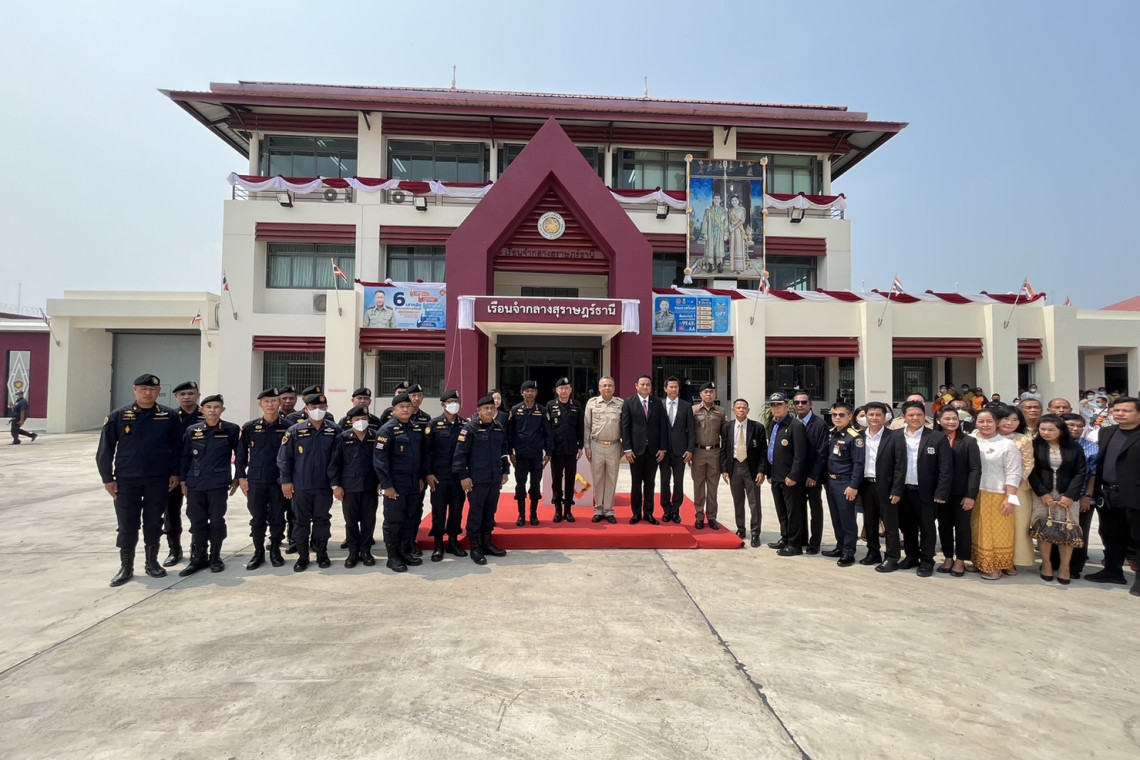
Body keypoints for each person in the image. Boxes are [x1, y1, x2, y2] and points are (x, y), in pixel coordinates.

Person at [95, 374, 182, 587]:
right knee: (127, 524)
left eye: (152, 389)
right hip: (126, 480)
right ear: (134, 390)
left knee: (153, 522)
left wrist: (175, 473)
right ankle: (126, 567)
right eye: (143, 389)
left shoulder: (169, 415)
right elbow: (105, 450)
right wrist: (107, 478)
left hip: (158, 479)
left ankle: (152, 563)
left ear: (159, 391)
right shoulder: (118, 416)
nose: (148, 393)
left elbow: (178, 448)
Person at [177, 394, 240, 576]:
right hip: (195, 483)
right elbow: (185, 457)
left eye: (216, 407)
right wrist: (183, 480)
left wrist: (238, 477)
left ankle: (215, 556)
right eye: (209, 407)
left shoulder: (231, 429)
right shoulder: (192, 430)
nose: (212, 410)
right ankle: (199, 557)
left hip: (218, 483)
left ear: (222, 410)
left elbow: (240, 455)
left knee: (217, 520)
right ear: (202, 410)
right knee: (197, 520)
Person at [277, 392, 340, 572]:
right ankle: (303, 556)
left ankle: (322, 553)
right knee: (300, 521)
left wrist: (336, 484)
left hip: (324, 485)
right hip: (301, 485)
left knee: (322, 520)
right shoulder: (295, 430)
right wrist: (286, 481)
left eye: (322, 407)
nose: (317, 410)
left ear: (326, 409)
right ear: (306, 409)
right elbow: (284, 458)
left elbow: (339, 460)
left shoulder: (335, 430)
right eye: (313, 407)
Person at [889, 401, 952, 577]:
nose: (915, 418)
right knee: (907, 527)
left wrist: (941, 492)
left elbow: (945, 468)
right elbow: (890, 464)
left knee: (927, 528)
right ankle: (911, 556)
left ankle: (926, 560)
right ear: (904, 417)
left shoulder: (937, 437)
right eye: (911, 415)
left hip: (927, 492)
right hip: (903, 491)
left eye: (919, 415)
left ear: (925, 416)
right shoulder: (895, 436)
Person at [1085, 396, 1140, 594]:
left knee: (1137, 537)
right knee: (1110, 533)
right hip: (1107, 492)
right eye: (1116, 410)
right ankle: (1113, 571)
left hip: (1135, 494)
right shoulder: (1107, 432)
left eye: (1126, 410)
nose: (1120, 414)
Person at [235, 388, 290, 570]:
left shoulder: (288, 427)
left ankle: (275, 549)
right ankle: (258, 551)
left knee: (277, 517)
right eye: (266, 401)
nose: (270, 405)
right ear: (260, 405)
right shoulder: (250, 427)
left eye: (274, 401)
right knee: (257, 518)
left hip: (278, 480)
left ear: (279, 403)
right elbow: (241, 455)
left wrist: (289, 480)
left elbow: (293, 456)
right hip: (256, 480)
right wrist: (241, 476)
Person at [1028, 414, 1087, 584]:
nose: (1046, 432)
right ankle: (1046, 563)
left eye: (1051, 430)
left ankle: (1065, 566)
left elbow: (1080, 472)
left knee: (1067, 530)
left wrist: (1070, 495)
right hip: (1043, 494)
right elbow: (1032, 471)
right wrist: (1042, 493)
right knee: (1044, 528)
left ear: (1060, 430)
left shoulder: (1074, 447)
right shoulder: (1035, 445)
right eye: (1043, 429)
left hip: (1067, 495)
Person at [453, 394, 511, 565]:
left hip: (494, 478)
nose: (489, 411)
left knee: (490, 511)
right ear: (478, 411)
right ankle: (475, 547)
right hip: (477, 479)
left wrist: (505, 471)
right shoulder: (469, 429)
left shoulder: (498, 427)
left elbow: (503, 451)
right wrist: (463, 476)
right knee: (476, 512)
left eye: (492, 408)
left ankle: (487, 543)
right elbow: (460, 454)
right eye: (486, 408)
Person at [373, 392, 428, 572]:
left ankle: (404, 552)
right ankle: (393, 557)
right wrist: (387, 485)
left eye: (408, 407)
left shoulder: (415, 428)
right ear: (394, 409)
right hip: (395, 484)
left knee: (409, 519)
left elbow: (419, 456)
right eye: (401, 407)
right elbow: (380, 461)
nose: (405, 409)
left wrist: (420, 477)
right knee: (393, 521)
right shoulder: (386, 431)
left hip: (413, 482)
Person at [970, 407, 1025, 580]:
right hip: (975, 493)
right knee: (978, 529)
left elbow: (1014, 472)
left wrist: (1010, 498)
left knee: (998, 532)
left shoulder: (1007, 444)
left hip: (999, 493)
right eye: (981, 421)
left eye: (989, 421)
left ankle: (996, 566)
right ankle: (980, 562)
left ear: (996, 423)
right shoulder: (971, 440)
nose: (985, 425)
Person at [328, 405, 381, 569]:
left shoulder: (376, 437)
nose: (361, 421)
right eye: (357, 419)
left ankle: (366, 551)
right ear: (351, 421)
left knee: (368, 521)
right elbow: (334, 464)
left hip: (370, 487)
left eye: (364, 419)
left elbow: (382, 462)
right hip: (349, 488)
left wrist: (382, 481)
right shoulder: (342, 438)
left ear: (369, 420)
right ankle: (353, 552)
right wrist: (336, 486)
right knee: (350, 522)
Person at [934, 407, 981, 577]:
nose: (951, 422)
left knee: (962, 528)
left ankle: (960, 560)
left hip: (962, 493)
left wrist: (970, 495)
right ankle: (948, 557)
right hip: (940, 494)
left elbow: (975, 470)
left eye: (954, 418)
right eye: (947, 419)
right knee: (944, 526)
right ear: (938, 420)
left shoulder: (968, 441)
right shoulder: (933, 439)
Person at [163, 380, 204, 567]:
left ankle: (197, 548)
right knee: (171, 511)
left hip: (198, 473)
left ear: (198, 395)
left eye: (191, 393)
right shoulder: (168, 417)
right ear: (176, 397)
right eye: (182, 394)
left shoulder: (206, 415)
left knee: (197, 512)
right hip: (173, 472)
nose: (187, 397)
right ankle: (174, 549)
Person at [423, 390, 468, 560]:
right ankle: (438, 545)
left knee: (456, 510)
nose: (454, 404)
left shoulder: (465, 425)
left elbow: (468, 452)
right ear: (443, 405)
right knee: (439, 511)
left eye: (456, 401)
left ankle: (453, 542)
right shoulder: (434, 424)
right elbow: (427, 451)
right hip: (439, 476)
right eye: (450, 401)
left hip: (458, 476)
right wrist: (428, 473)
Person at [621, 374, 668, 525]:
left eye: (648, 384)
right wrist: (627, 449)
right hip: (635, 451)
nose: (645, 387)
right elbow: (625, 427)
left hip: (653, 451)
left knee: (650, 483)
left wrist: (662, 448)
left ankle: (649, 513)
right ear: (636, 386)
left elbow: (662, 426)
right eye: (642, 384)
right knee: (636, 483)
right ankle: (636, 513)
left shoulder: (657, 403)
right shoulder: (629, 403)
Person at [1055, 413, 1098, 578]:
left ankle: (1074, 567)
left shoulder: (1092, 448)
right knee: (1056, 529)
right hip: (1055, 497)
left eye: (1080, 426)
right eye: (1071, 425)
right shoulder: (1053, 445)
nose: (1076, 429)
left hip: (1081, 497)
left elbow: (1093, 474)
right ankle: (1055, 563)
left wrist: (1088, 495)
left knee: (1079, 532)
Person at [821, 402, 864, 566]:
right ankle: (840, 546)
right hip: (831, 482)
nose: (837, 417)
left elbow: (858, 464)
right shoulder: (832, 433)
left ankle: (849, 552)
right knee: (836, 518)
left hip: (845, 483)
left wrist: (853, 486)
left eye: (841, 415)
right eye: (834, 415)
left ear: (850, 416)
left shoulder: (854, 437)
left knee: (847, 519)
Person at [720, 398, 768, 544]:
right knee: (738, 501)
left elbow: (763, 452)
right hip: (734, 467)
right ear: (733, 410)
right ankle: (740, 528)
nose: (741, 410)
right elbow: (724, 450)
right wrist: (724, 470)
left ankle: (755, 533)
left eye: (744, 408)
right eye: (738, 407)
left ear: (748, 410)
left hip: (751, 468)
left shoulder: (757, 427)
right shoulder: (727, 427)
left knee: (754, 502)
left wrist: (761, 471)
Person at [766, 393, 808, 556]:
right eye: (773, 405)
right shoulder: (773, 424)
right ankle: (785, 537)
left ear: (788, 406)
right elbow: (772, 449)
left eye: (779, 404)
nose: (776, 408)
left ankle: (795, 544)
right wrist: (770, 473)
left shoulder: (796, 426)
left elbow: (800, 455)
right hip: (776, 475)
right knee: (781, 511)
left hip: (790, 478)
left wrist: (793, 475)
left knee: (793, 512)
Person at [507, 380, 553, 526]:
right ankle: (521, 515)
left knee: (535, 485)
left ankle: (534, 514)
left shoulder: (542, 411)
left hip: (536, 455)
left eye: (532, 391)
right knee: (520, 485)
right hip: (520, 455)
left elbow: (548, 433)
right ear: (522, 393)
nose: (530, 393)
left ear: (536, 393)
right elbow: (510, 434)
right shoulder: (515, 410)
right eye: (527, 391)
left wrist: (549, 452)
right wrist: (510, 452)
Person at [996, 405, 1036, 569]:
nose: (1009, 423)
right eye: (1005, 418)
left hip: (1018, 489)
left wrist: (1012, 486)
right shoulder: (985, 436)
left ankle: (1013, 560)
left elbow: (1028, 465)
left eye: (1014, 420)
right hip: (990, 487)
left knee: (1018, 525)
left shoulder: (1023, 440)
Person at [859, 403, 898, 570]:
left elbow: (900, 465)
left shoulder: (894, 437)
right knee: (870, 521)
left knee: (890, 524)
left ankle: (892, 557)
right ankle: (873, 552)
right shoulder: (860, 437)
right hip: (866, 485)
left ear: (885, 417)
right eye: (871, 415)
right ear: (866, 416)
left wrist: (896, 489)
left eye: (878, 415)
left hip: (886, 486)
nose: (874, 418)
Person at [792, 392, 829, 554]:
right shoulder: (793, 423)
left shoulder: (819, 424)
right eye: (797, 402)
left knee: (815, 510)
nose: (800, 405)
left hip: (813, 476)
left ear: (810, 404)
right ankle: (802, 539)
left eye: (804, 402)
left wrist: (814, 475)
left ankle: (815, 543)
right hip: (796, 476)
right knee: (798, 509)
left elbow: (822, 453)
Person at [584, 377, 623, 523]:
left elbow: (624, 426)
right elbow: (587, 426)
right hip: (597, 445)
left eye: (610, 385)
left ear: (614, 388)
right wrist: (587, 446)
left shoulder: (620, 404)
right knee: (598, 478)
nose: (607, 388)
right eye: (604, 385)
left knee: (612, 479)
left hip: (614, 445)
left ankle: (609, 510)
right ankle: (598, 510)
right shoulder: (592, 403)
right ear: (599, 388)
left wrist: (624, 446)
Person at [547, 378, 584, 524]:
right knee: (556, 480)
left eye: (566, 388)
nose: (564, 391)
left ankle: (568, 510)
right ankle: (557, 510)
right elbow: (547, 429)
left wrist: (580, 446)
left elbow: (580, 427)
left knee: (570, 480)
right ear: (557, 390)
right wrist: (548, 449)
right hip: (556, 450)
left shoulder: (576, 405)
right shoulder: (550, 405)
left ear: (571, 390)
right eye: (561, 388)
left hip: (571, 450)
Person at [660, 377, 695, 525]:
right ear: (665, 389)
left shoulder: (686, 406)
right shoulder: (659, 405)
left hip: (680, 450)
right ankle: (666, 509)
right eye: (671, 387)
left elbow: (691, 429)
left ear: (679, 389)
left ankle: (675, 510)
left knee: (678, 481)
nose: (674, 389)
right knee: (664, 481)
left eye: (676, 387)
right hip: (663, 450)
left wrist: (690, 449)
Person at [691, 382, 725, 529]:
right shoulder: (693, 410)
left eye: (711, 392)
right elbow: (689, 432)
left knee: (713, 487)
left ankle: (711, 517)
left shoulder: (720, 411)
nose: (709, 394)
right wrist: (689, 452)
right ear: (701, 394)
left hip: (714, 453)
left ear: (715, 394)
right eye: (706, 392)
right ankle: (699, 516)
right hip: (698, 452)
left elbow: (724, 434)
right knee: (698, 485)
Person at [276, 385, 298, 552]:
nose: (288, 401)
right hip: (272, 472)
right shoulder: (271, 418)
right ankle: (275, 537)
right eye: (284, 398)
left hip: (294, 471)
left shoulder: (299, 419)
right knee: (275, 509)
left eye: (291, 398)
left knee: (293, 509)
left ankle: (293, 537)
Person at [701, 192, 728, 270]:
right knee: (710, 248)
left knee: (719, 248)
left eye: (718, 198)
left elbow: (726, 223)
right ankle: (710, 265)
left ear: (720, 200)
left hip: (720, 232)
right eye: (715, 198)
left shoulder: (723, 211)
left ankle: (719, 265)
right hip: (711, 231)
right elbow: (705, 221)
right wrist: (705, 233)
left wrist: (726, 234)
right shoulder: (709, 210)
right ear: (713, 199)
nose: (716, 200)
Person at [726, 194, 748, 272]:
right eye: (732, 200)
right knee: (733, 247)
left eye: (735, 200)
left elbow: (742, 221)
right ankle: (734, 267)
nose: (734, 202)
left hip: (739, 230)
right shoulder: (730, 210)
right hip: (732, 231)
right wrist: (730, 227)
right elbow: (729, 220)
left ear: (738, 201)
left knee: (739, 247)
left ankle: (740, 268)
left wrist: (734, 228)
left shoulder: (742, 209)